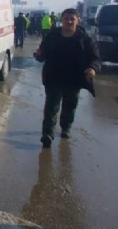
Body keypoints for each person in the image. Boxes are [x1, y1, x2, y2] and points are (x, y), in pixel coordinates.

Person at [34, 8, 101, 148]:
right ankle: (47, 134)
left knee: (69, 107)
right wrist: (38, 55)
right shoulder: (52, 36)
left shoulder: (85, 39)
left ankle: (66, 128)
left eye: (72, 19)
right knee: (51, 107)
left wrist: (93, 68)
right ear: (61, 20)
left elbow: (95, 58)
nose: (69, 21)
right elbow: (42, 54)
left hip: (74, 79)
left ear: (78, 20)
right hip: (53, 77)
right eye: (66, 19)